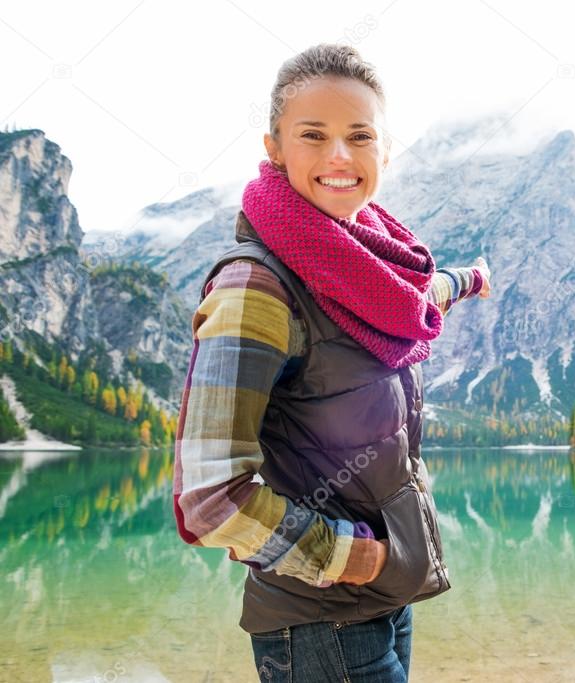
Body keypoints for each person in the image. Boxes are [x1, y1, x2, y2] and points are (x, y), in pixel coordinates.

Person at [172, 43, 491, 682]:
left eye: (359, 136)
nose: (339, 156)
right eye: (312, 135)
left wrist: (469, 279)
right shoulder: (254, 291)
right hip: (320, 622)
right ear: (274, 148)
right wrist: (359, 560)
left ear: (385, 150)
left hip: (385, 603)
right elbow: (209, 500)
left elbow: (419, 300)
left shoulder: (372, 275)